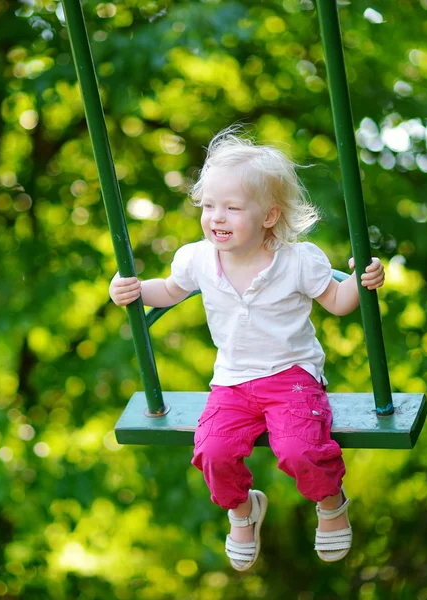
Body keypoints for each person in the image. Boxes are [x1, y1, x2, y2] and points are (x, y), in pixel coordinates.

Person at [109, 129, 385, 571]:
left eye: (233, 208)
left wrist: (361, 281)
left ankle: (331, 504)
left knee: (300, 450)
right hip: (232, 382)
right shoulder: (197, 258)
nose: (217, 217)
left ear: (269, 215)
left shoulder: (298, 261)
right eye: (209, 205)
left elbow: (337, 303)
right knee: (213, 452)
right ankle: (242, 510)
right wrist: (135, 289)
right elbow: (169, 289)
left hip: (292, 378)